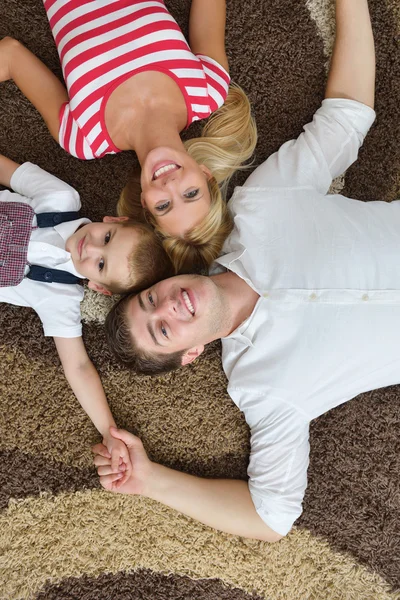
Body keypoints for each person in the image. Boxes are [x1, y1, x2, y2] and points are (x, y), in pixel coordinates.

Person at [92, 0, 389, 542]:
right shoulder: (263, 387)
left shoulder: (262, 204)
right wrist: (149, 479)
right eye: (163, 329)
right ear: (190, 354)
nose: (168, 307)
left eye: (150, 299)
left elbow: (347, 115)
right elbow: (271, 516)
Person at [0, 0, 257, 273]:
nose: (171, 185)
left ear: (145, 201)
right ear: (205, 174)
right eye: (191, 193)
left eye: (164, 205)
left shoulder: (84, 138)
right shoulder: (209, 90)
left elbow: (11, 56)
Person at [0, 154, 172, 480]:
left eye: (101, 265)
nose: (90, 249)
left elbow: (78, 367)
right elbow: (10, 172)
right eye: (107, 238)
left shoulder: (62, 297)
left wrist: (109, 432)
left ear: (99, 287)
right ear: (115, 221)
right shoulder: (60, 199)